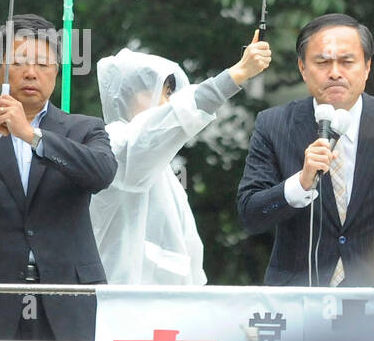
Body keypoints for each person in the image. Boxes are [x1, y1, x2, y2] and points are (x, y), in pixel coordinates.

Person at [0, 13, 118, 341]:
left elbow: (101, 174)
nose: (31, 73)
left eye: (43, 65)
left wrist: (32, 135)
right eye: (19, 62)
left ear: (56, 73)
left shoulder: (84, 128)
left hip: (67, 298)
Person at [236, 13, 374, 286]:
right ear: (303, 68)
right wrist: (300, 184)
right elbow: (250, 215)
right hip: (299, 300)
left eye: (347, 61)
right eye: (322, 62)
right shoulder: (274, 125)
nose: (335, 72)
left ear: (367, 67)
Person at [91, 37, 271, 285]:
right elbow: (173, 118)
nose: (166, 103)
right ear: (126, 96)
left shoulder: (162, 167)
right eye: (157, 92)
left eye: (169, 94)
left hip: (168, 310)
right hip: (122, 306)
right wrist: (237, 74)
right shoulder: (116, 145)